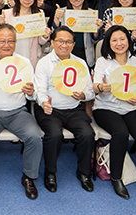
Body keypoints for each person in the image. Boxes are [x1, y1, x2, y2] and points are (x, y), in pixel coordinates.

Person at [0, 24, 41, 201]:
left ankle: (29, 177)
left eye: (10, 41)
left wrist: (30, 92)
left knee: (34, 136)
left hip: (17, 112)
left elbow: (34, 94)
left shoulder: (24, 62)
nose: (6, 45)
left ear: (15, 42)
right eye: (2, 41)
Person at [92, 26, 136, 199]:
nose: (119, 43)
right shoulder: (102, 62)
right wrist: (101, 87)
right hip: (106, 107)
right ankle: (116, 177)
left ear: (128, 40)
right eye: (114, 40)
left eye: (122, 39)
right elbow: (95, 87)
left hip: (131, 107)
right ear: (108, 43)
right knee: (120, 133)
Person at [33, 26, 95, 193]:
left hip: (74, 109)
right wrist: (44, 102)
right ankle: (50, 173)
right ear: (52, 43)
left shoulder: (80, 63)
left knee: (88, 134)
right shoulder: (44, 63)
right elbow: (39, 89)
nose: (64, 45)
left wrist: (83, 95)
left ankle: (84, 172)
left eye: (68, 42)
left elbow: (90, 91)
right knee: (54, 135)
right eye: (60, 41)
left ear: (73, 45)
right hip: (50, 109)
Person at [0, 0, 51, 67]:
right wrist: (1, 25)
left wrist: (45, 36)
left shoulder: (39, 14)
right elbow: (2, 38)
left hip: (31, 58)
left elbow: (40, 42)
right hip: (12, 58)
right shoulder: (7, 14)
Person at [53, 0, 99, 67]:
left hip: (85, 56)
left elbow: (94, 40)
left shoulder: (91, 14)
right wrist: (56, 19)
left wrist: (96, 30)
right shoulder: (61, 12)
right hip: (64, 55)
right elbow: (53, 37)